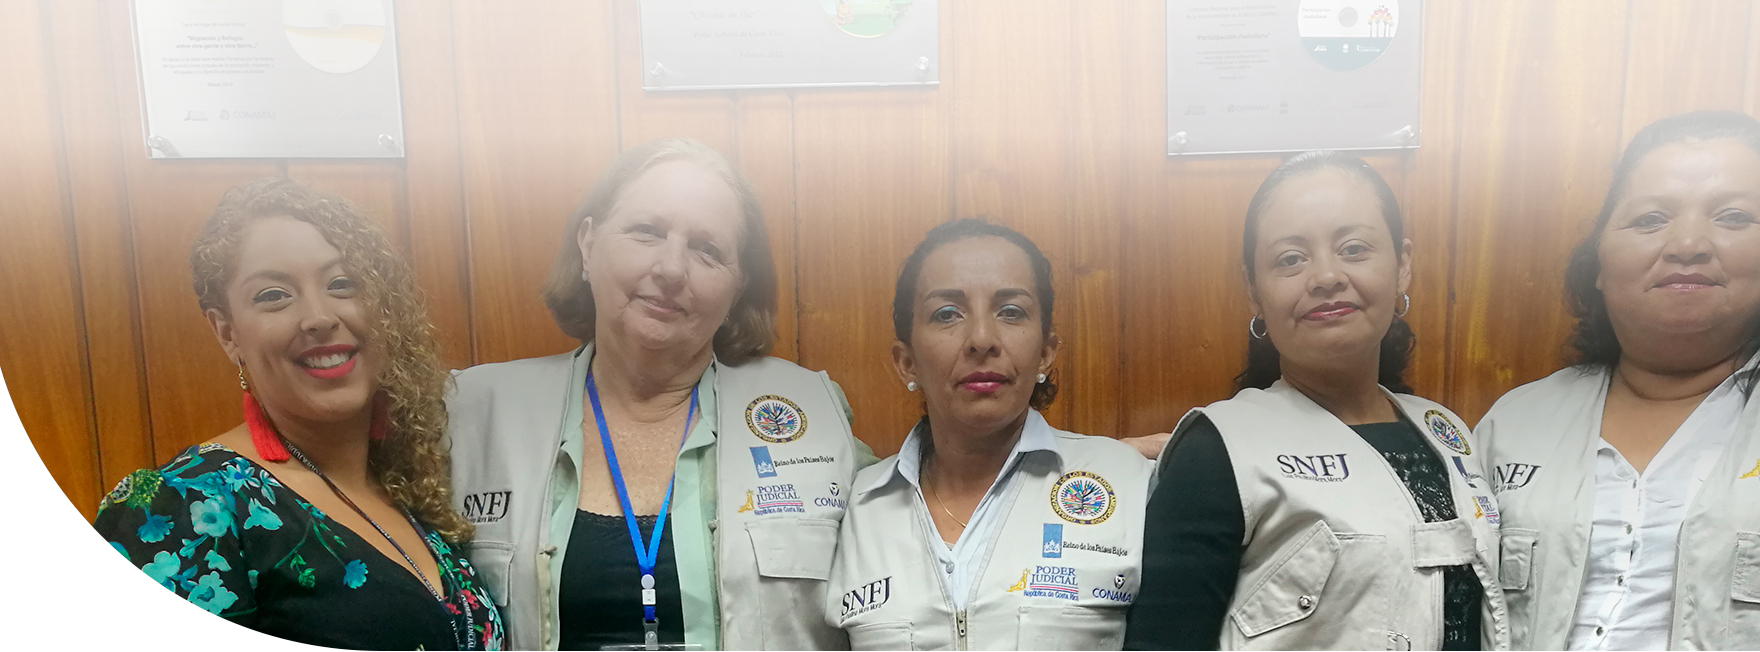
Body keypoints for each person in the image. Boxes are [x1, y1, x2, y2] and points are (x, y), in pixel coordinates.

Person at [1479, 110, 1760, 650]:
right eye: (1648, 220)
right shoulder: (1516, 421)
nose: (1687, 243)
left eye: (1733, 216)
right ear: (1599, 261)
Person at [445, 138, 876, 650]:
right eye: (646, 231)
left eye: (707, 250)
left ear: (737, 286)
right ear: (587, 245)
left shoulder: (814, 411)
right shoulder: (472, 412)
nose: (672, 269)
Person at [93, 178, 505, 650]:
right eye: (273, 295)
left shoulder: (406, 485)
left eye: (341, 284)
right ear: (227, 332)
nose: (318, 316)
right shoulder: (179, 507)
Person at [1125, 151, 1509, 650]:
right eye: (1290, 259)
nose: (1325, 276)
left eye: (1353, 248)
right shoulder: (1219, 447)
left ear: (1402, 267)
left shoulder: (1446, 431)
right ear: (1254, 291)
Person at [830, 218, 1154, 650]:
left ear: (1044, 352)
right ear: (906, 362)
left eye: (1011, 311)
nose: (982, 339)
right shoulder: (851, 511)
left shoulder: (1130, 485)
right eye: (947, 314)